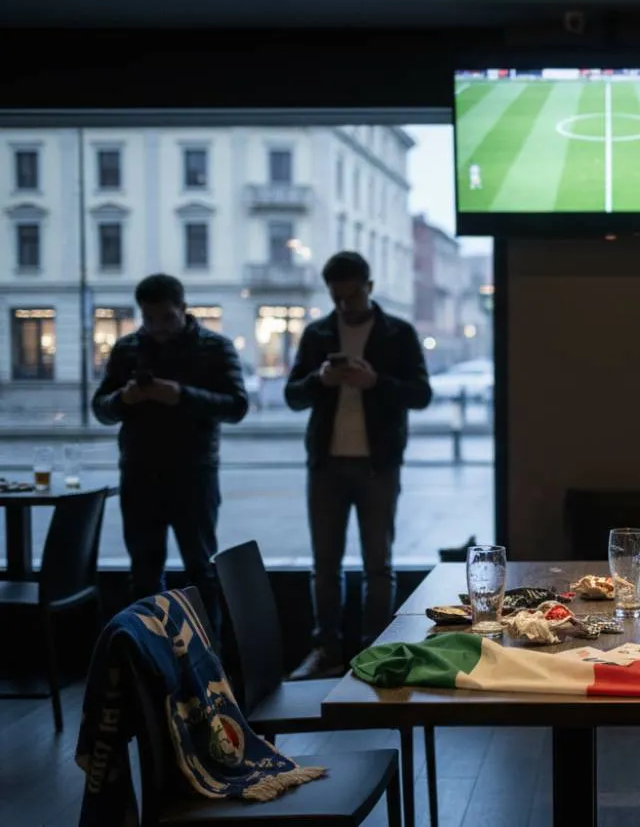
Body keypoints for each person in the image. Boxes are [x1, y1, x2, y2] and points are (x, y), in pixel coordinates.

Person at [285, 251, 432, 679]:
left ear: (368, 287)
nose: (345, 306)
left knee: (378, 565)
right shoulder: (318, 333)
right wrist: (319, 381)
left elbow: (421, 394)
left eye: (351, 296)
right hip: (326, 463)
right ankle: (325, 649)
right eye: (337, 298)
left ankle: (375, 651)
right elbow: (293, 395)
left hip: (377, 463)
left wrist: (375, 383)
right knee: (324, 565)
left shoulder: (396, 333)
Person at [92, 273, 248, 643]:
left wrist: (180, 395)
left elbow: (237, 406)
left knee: (201, 571)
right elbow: (101, 407)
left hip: (193, 472)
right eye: (149, 319)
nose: (157, 328)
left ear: (183, 309)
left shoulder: (215, 347)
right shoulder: (128, 348)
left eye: (166, 318)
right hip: (140, 471)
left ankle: (210, 666)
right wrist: (124, 400)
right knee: (144, 574)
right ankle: (151, 661)